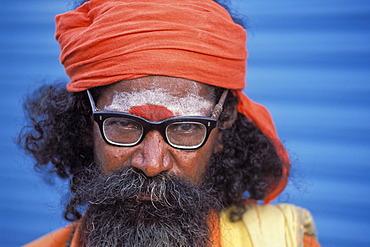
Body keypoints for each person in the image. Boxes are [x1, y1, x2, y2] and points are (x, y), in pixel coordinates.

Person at [19, 0, 320, 246]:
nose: (152, 163)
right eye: (124, 124)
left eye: (186, 127)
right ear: (86, 123)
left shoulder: (283, 239)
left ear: (223, 126)